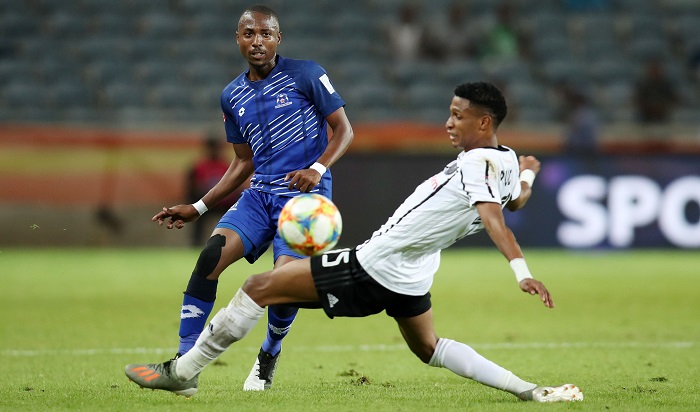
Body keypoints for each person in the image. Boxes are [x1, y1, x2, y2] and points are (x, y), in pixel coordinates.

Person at [126, 82, 583, 403]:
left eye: (457, 116)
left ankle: (182, 372)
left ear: (483, 122)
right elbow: (516, 200)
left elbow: (495, 217)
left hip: (376, 264)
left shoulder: (475, 161)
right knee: (428, 347)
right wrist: (528, 172)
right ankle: (528, 390)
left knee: (257, 288)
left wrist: (521, 272)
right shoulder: (501, 159)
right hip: (413, 272)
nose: (448, 123)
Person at [145, 4, 354, 391]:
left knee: (282, 284)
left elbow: (344, 130)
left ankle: (268, 354)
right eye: (248, 34)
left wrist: (318, 169)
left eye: (265, 34)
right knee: (209, 257)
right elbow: (243, 162)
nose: (257, 41)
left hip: (305, 199)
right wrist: (199, 207)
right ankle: (185, 365)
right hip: (260, 195)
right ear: (238, 39)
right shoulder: (231, 95)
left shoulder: (307, 73)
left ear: (278, 39)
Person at [186, 135, 246, 247]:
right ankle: (195, 244)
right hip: (206, 204)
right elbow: (192, 188)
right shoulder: (199, 166)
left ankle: (237, 243)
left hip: (225, 204)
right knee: (198, 215)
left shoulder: (226, 166)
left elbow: (237, 186)